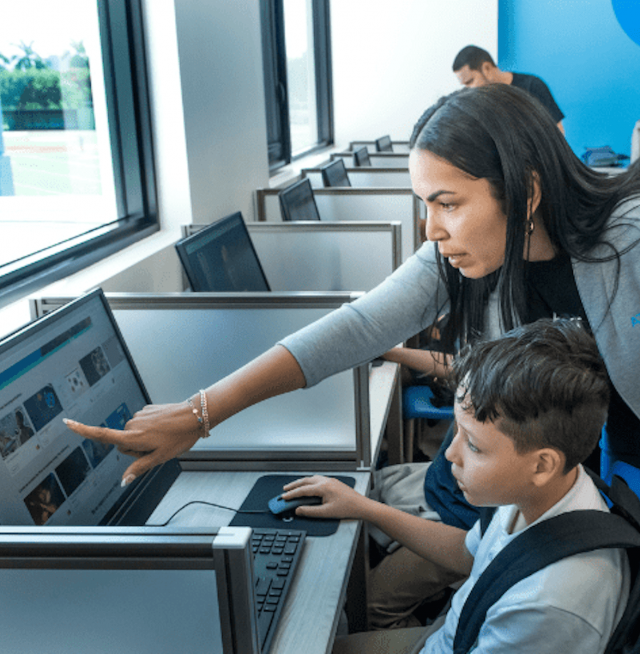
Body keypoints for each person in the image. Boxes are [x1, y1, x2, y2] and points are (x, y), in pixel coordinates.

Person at [63, 83, 640, 628]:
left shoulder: (627, 245)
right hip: (548, 491)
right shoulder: (460, 253)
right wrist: (201, 413)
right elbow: (357, 326)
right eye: (424, 205)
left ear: (526, 190)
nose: (432, 229)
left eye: (447, 203)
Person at [281, 319, 630, 654]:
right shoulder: (537, 492)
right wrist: (362, 507)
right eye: (457, 433)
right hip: (451, 632)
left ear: (542, 464)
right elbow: (470, 553)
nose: (449, 454)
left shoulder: (549, 606)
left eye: (474, 446)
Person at [452, 45, 565, 134]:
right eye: (464, 85)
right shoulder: (478, 102)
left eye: (470, 81)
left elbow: (558, 131)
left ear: (486, 68)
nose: (468, 90)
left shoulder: (532, 86)